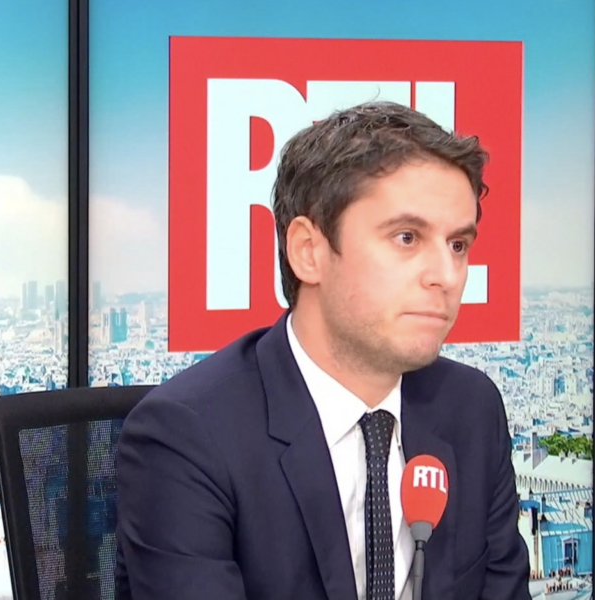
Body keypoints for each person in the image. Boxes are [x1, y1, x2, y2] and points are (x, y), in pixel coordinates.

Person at [114, 101, 531, 600]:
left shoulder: (471, 408)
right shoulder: (187, 438)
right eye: (406, 237)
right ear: (308, 251)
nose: (446, 275)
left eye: (458, 245)